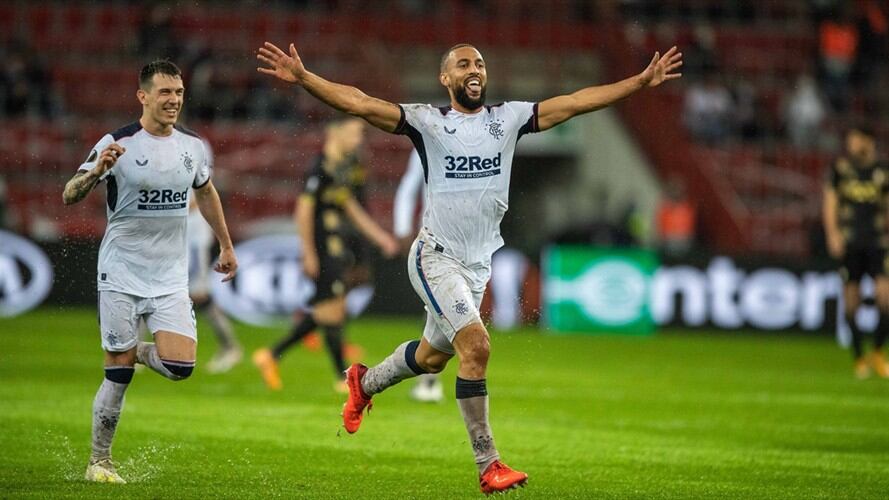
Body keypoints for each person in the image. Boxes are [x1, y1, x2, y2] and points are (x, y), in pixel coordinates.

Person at [257, 40, 681, 493]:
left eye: (479, 62)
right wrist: (305, 79)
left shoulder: (509, 119)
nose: (474, 69)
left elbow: (575, 103)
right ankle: (489, 464)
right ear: (446, 78)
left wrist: (638, 83)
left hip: (477, 267)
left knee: (431, 358)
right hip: (435, 257)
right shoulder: (428, 122)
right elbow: (361, 103)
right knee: (476, 348)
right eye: (463, 64)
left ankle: (365, 381)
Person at [62, 60, 237, 484]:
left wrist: (227, 244)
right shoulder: (118, 142)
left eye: (178, 92)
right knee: (118, 377)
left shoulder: (192, 146)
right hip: (121, 271)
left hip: (170, 276)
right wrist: (97, 172)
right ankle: (99, 462)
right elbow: (70, 193)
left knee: (181, 366)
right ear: (143, 96)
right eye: (165, 92)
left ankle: (133, 349)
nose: (174, 100)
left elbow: (207, 191)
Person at [252, 116, 399, 393]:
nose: (359, 139)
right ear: (335, 132)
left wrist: (380, 237)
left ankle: (271, 355)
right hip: (320, 246)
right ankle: (341, 376)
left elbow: (351, 207)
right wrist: (308, 252)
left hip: (335, 245)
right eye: (354, 133)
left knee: (329, 310)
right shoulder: (318, 168)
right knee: (330, 312)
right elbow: (303, 211)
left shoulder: (341, 167)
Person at [823, 126, 889, 379]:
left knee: (885, 298)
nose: (850, 145)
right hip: (850, 242)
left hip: (877, 242)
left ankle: (878, 351)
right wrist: (832, 234)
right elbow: (830, 204)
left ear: (867, 142)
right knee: (852, 300)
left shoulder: (882, 172)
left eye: (855, 140)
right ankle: (859, 357)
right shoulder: (841, 171)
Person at [393, 149, 445, 403]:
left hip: (472, 242)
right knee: (436, 306)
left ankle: (431, 377)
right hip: (435, 238)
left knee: (444, 308)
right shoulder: (430, 139)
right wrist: (403, 228)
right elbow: (409, 185)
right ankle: (430, 377)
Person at [188, 186, 241, 374]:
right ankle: (134, 346)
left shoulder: (199, 155)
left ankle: (230, 347)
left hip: (191, 233)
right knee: (153, 286)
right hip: (174, 234)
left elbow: (203, 192)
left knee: (199, 294)